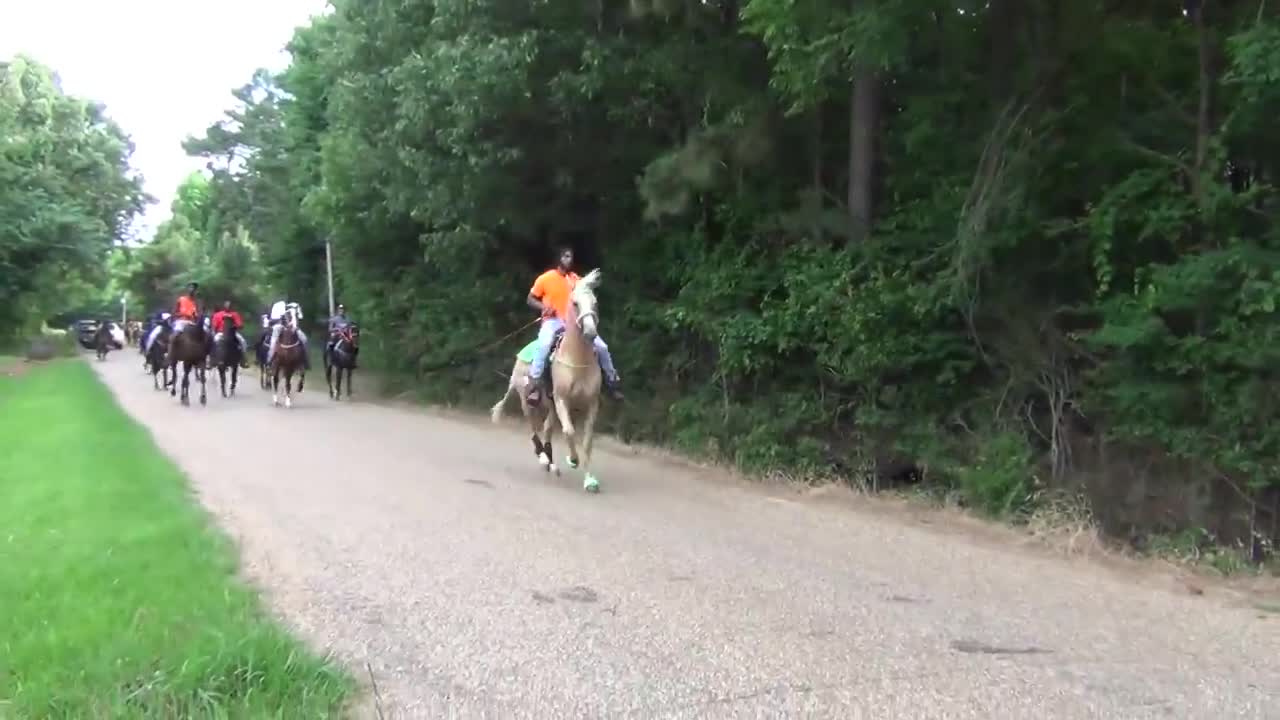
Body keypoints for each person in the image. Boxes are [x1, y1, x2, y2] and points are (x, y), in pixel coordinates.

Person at [525, 246, 622, 406]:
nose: (569, 260)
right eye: (566, 256)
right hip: (553, 321)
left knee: (602, 347)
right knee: (544, 345)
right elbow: (530, 299)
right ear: (559, 259)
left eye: (570, 257)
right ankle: (535, 386)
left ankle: (612, 383)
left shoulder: (576, 280)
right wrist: (543, 307)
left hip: (575, 324)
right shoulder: (545, 278)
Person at [145, 283, 199, 354]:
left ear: (195, 291)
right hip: (181, 321)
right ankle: (170, 355)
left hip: (192, 323)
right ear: (187, 290)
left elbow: (197, 315)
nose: (192, 290)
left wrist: (196, 316)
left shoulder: (195, 302)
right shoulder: (181, 299)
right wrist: (181, 314)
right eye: (190, 288)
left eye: (194, 289)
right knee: (174, 336)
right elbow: (174, 312)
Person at [267, 297, 309, 370]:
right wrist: (284, 324)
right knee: (273, 342)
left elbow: (300, 318)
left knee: (304, 339)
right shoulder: (279, 307)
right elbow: (275, 319)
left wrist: (294, 323)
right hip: (281, 327)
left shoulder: (295, 307)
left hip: (294, 328)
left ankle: (304, 360)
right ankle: (270, 360)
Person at [211, 300, 251, 368]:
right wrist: (214, 332)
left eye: (229, 305)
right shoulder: (218, 314)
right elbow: (214, 326)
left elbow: (240, 324)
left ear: (231, 307)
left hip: (232, 333)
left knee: (243, 341)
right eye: (227, 305)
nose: (228, 307)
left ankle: (244, 360)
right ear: (224, 306)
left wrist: (236, 326)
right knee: (213, 341)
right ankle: (212, 359)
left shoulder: (235, 314)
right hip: (221, 333)